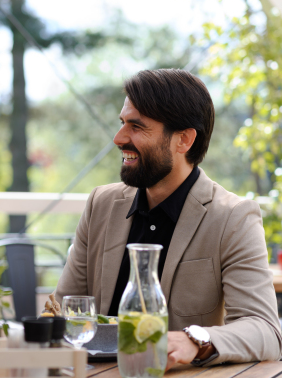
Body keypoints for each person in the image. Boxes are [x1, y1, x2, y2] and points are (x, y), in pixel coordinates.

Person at [55, 69, 282, 368]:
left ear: (184, 140)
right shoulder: (101, 204)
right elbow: (63, 312)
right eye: (122, 123)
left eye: (136, 126)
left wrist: (194, 341)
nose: (118, 138)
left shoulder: (234, 217)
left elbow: (265, 330)